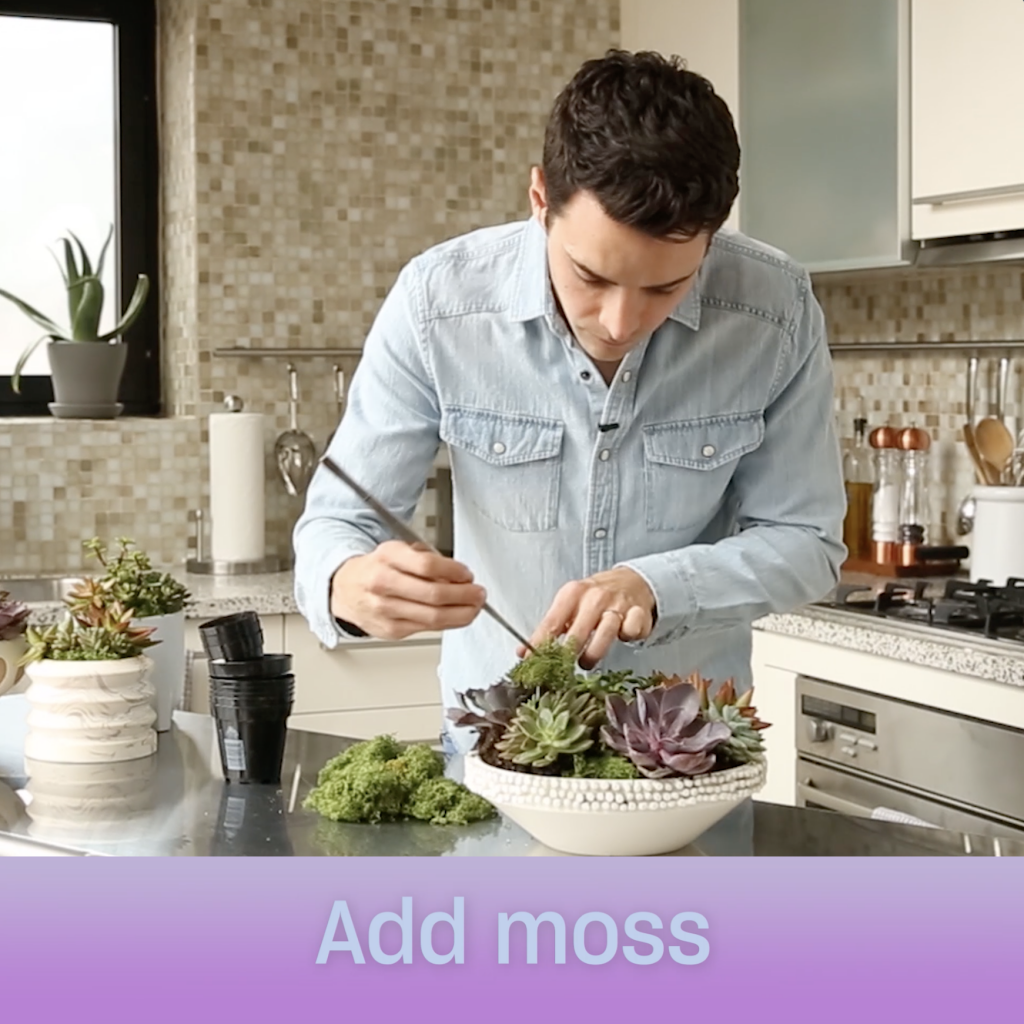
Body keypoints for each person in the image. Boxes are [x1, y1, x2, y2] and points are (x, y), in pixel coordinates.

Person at [294, 49, 846, 753]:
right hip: (500, 758)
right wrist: (349, 584)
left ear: (712, 238)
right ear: (538, 201)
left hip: (689, 765)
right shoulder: (440, 304)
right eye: (591, 275)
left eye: (665, 288)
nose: (620, 323)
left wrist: (657, 585)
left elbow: (809, 543)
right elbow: (335, 524)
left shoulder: (774, 310)